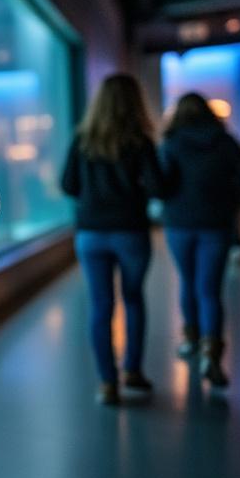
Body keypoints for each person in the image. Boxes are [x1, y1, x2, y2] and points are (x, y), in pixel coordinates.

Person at [60, 74, 165, 406]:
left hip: (90, 233)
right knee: (133, 298)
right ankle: (132, 371)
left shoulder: (82, 139)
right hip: (131, 231)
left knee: (101, 305)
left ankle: (107, 383)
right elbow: (158, 186)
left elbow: (68, 184)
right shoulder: (140, 141)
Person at [159, 93, 240, 388]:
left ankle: (191, 340)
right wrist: (228, 203)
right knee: (211, 289)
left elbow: (160, 183)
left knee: (188, 282)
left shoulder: (171, 142)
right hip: (216, 223)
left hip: (179, 223)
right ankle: (212, 353)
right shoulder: (224, 141)